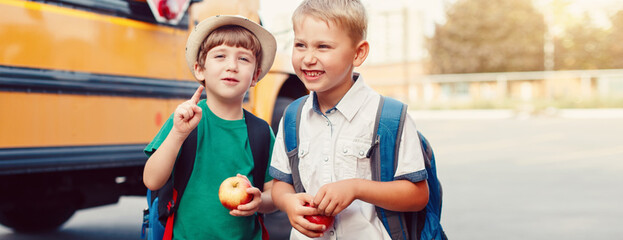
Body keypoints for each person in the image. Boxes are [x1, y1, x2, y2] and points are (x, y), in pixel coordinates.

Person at [269, 0, 430, 239]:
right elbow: (281, 183)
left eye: (323, 46)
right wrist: (288, 202)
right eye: (300, 45)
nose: (308, 58)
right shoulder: (293, 116)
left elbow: (417, 195)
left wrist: (356, 188)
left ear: (358, 53)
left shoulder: (389, 117)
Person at [142, 15, 277, 240]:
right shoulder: (184, 121)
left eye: (243, 59)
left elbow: (274, 194)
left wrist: (260, 201)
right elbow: (152, 180)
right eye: (220, 56)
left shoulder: (261, 132)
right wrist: (177, 134)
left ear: (255, 75)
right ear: (200, 70)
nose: (232, 66)